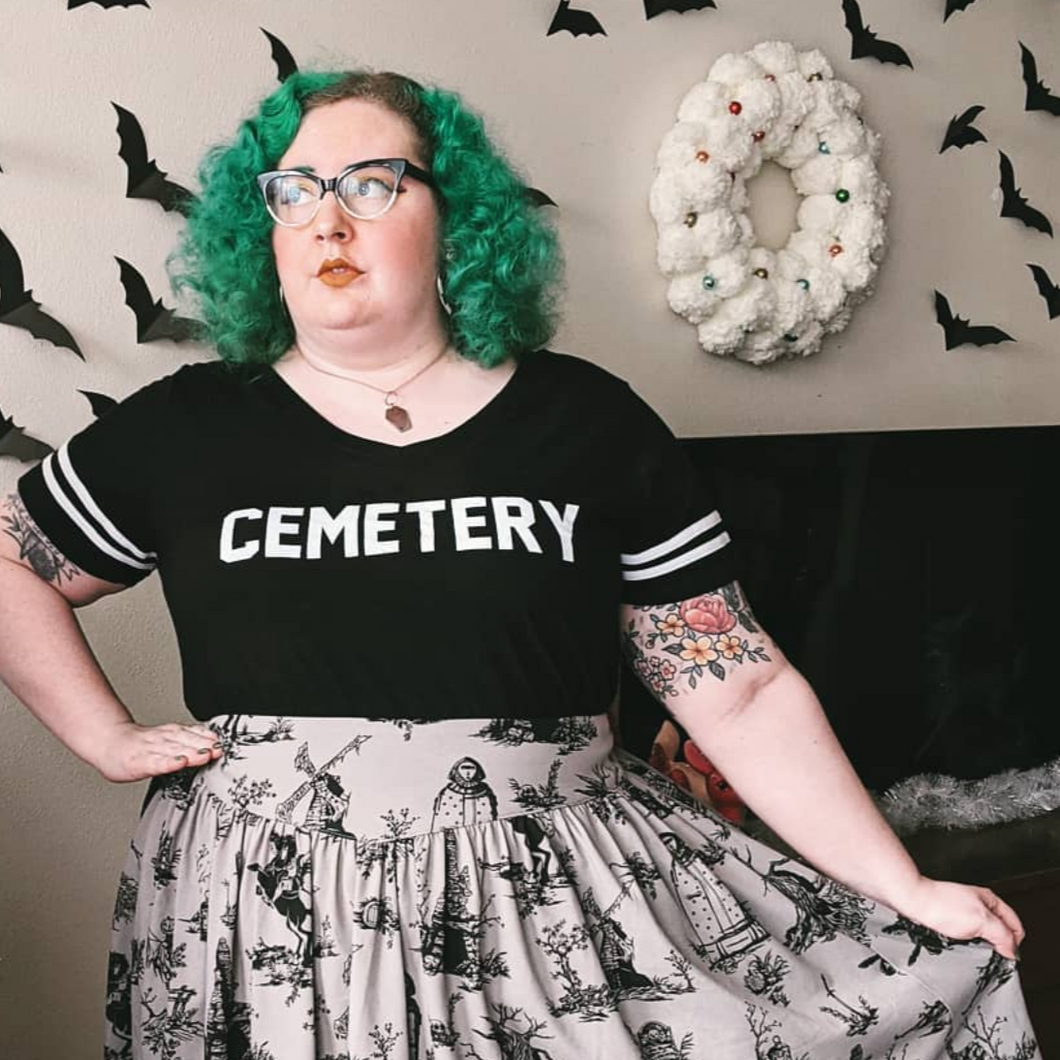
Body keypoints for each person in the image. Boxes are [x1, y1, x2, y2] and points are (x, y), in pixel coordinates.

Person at [0, 69, 1038, 1059]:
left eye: (370, 184)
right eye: (295, 190)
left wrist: (904, 884)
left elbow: (739, 687)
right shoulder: (184, 428)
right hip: (266, 918)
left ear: (454, 215)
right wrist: (102, 734)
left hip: (550, 915)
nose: (328, 220)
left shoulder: (585, 421)